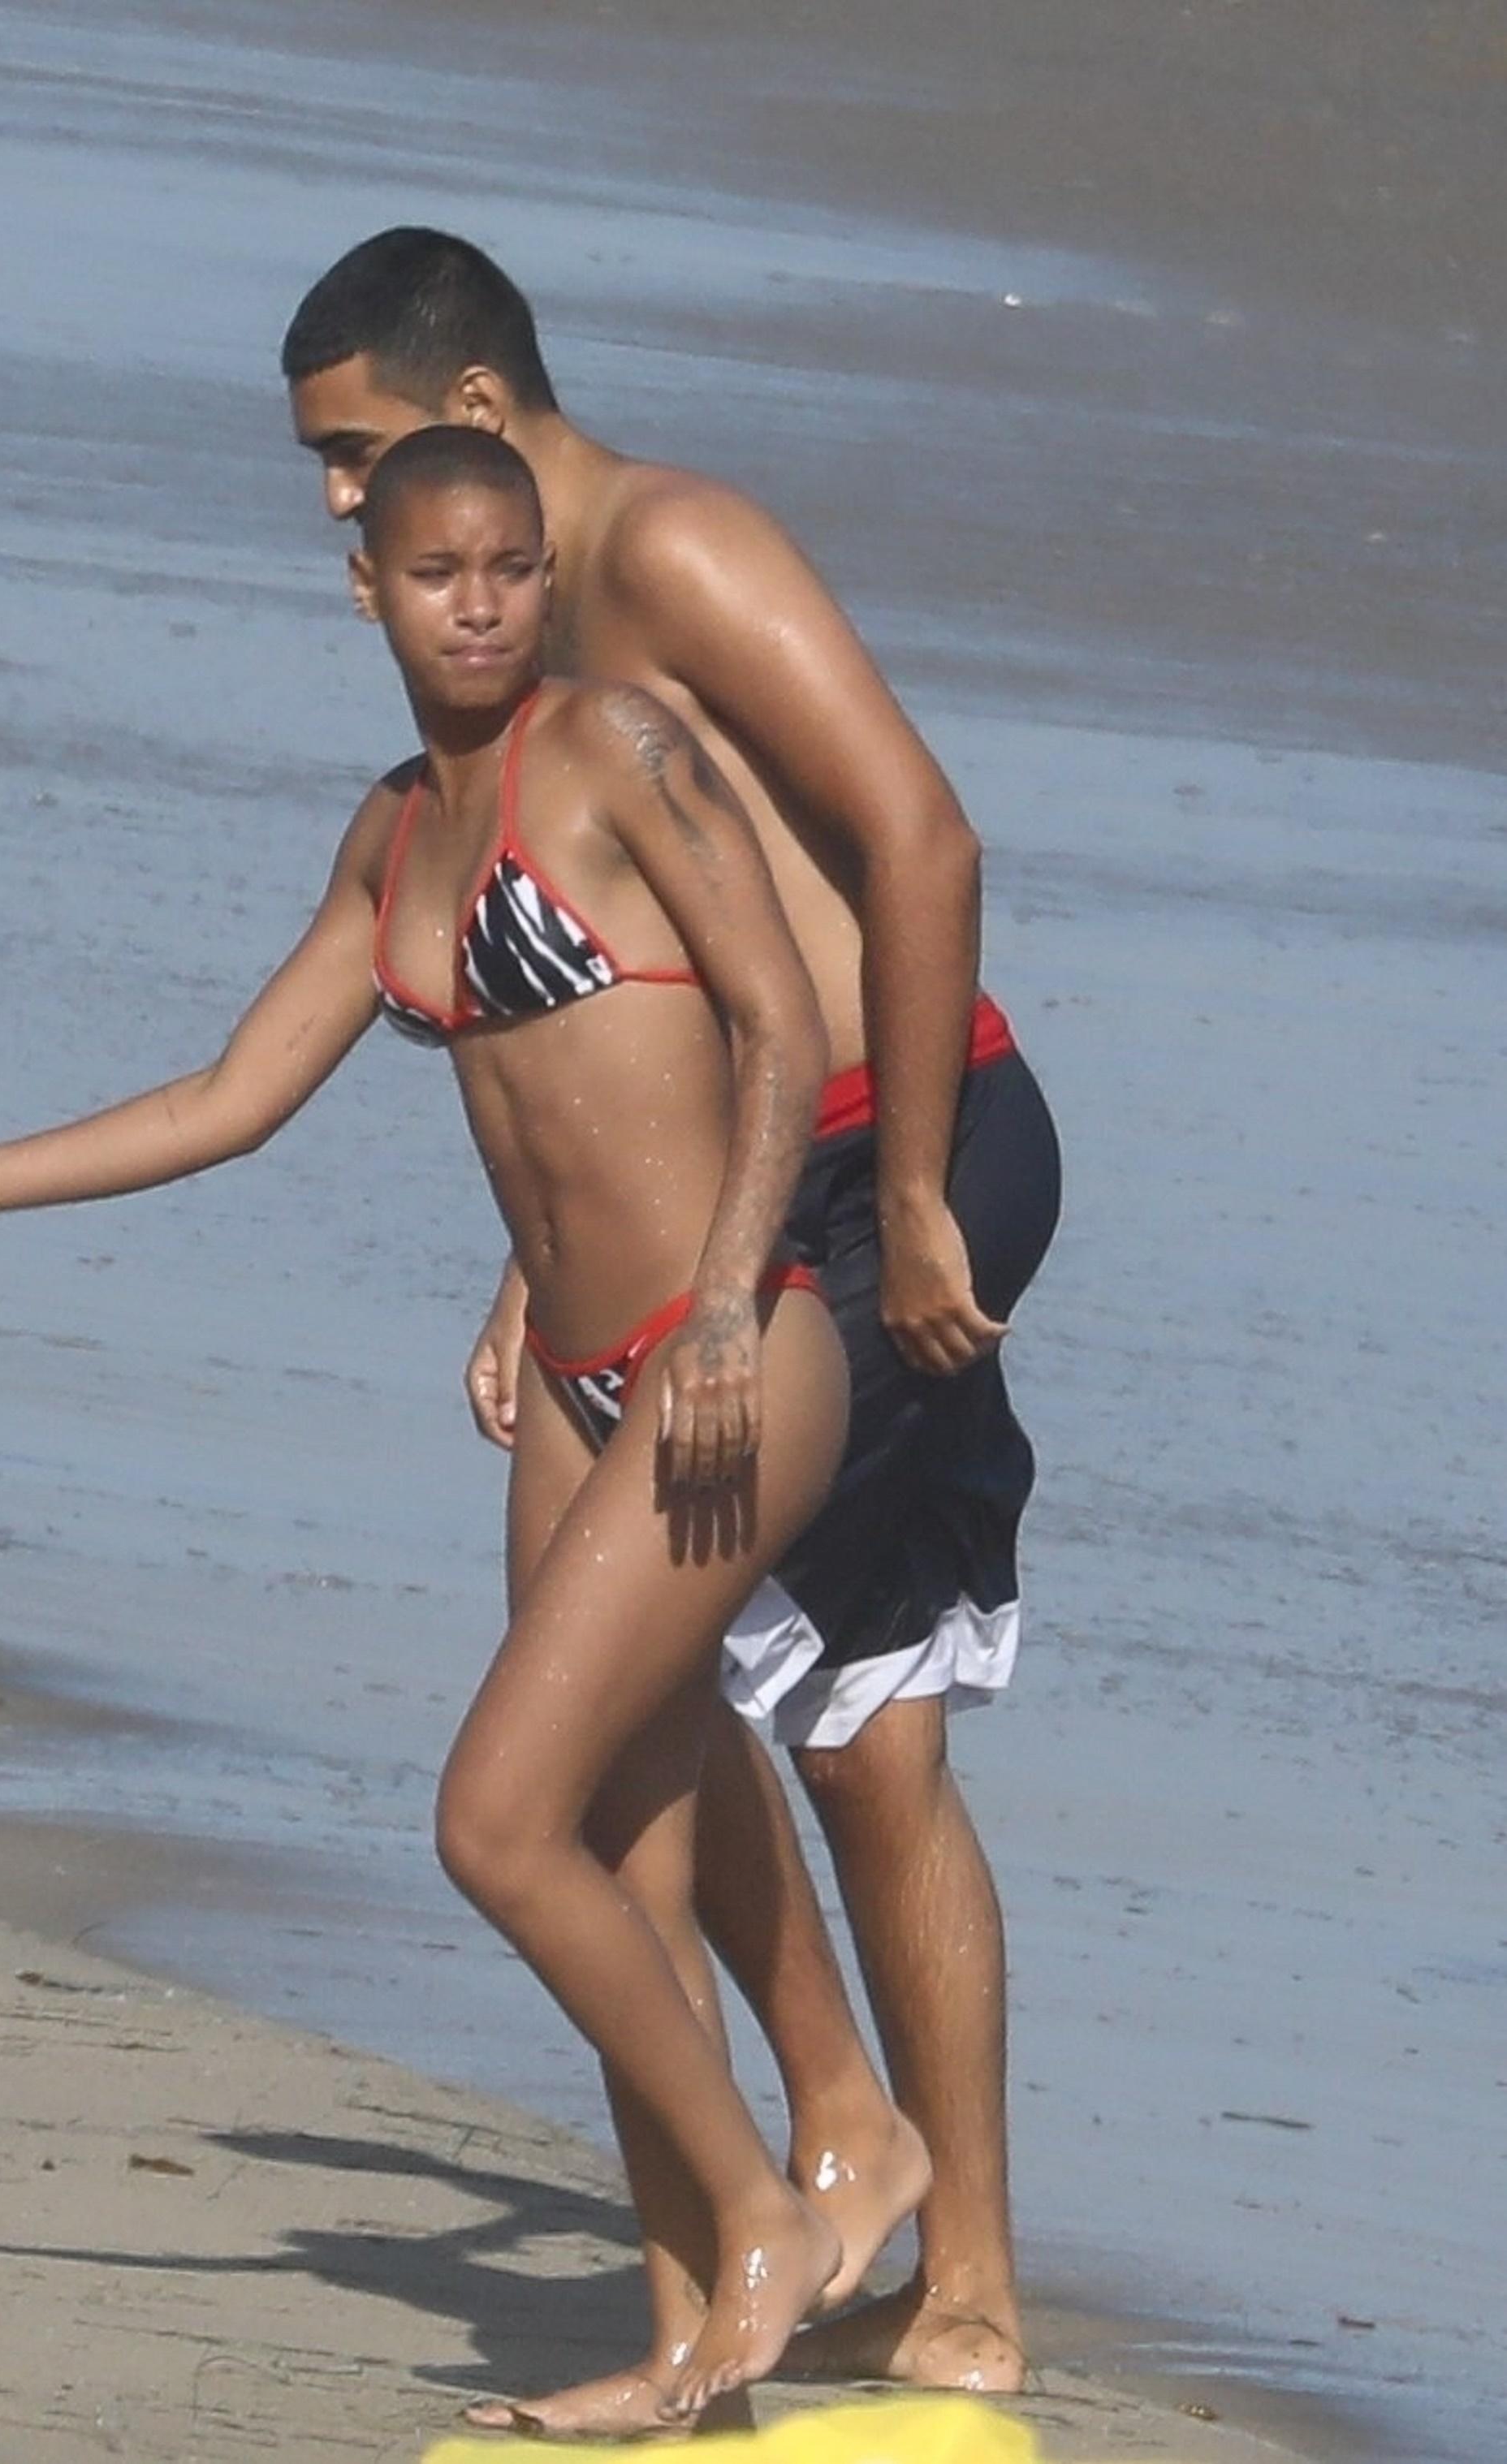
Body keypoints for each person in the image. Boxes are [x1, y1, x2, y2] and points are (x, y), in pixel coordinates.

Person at [0, 427, 891, 2427]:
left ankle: (766, 2217)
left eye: (510, 568)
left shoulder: (615, 748)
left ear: (544, 576)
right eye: (437, 575)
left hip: (730, 1356)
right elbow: (224, 1099)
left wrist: (719, 1296)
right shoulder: (390, 839)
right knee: (620, 1864)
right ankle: (688, 2343)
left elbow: (782, 1016)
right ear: (367, 590)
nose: (479, 606)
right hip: (574, 1388)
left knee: (492, 1824)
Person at [281, 230, 1063, 2404]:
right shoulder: (517, 633)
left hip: (898, 1143)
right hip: (743, 1178)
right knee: (663, 1691)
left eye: (351, 448)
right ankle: (830, 2190)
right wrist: (540, 1270)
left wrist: (909, 1194)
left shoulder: (670, 552)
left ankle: (944, 2255)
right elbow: (600, 1001)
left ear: (474, 406)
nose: (337, 501)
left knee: (845, 1714)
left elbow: (919, 836)